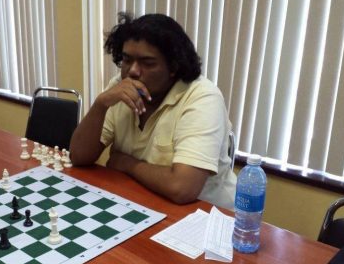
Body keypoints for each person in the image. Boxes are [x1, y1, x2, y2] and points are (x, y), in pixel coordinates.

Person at [70, 13, 236, 209]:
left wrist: (127, 164)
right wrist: (101, 104)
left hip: (202, 216)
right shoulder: (119, 87)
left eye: (147, 63)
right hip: (140, 201)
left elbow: (182, 188)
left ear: (173, 67)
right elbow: (79, 156)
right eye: (126, 60)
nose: (132, 71)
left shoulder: (202, 97)